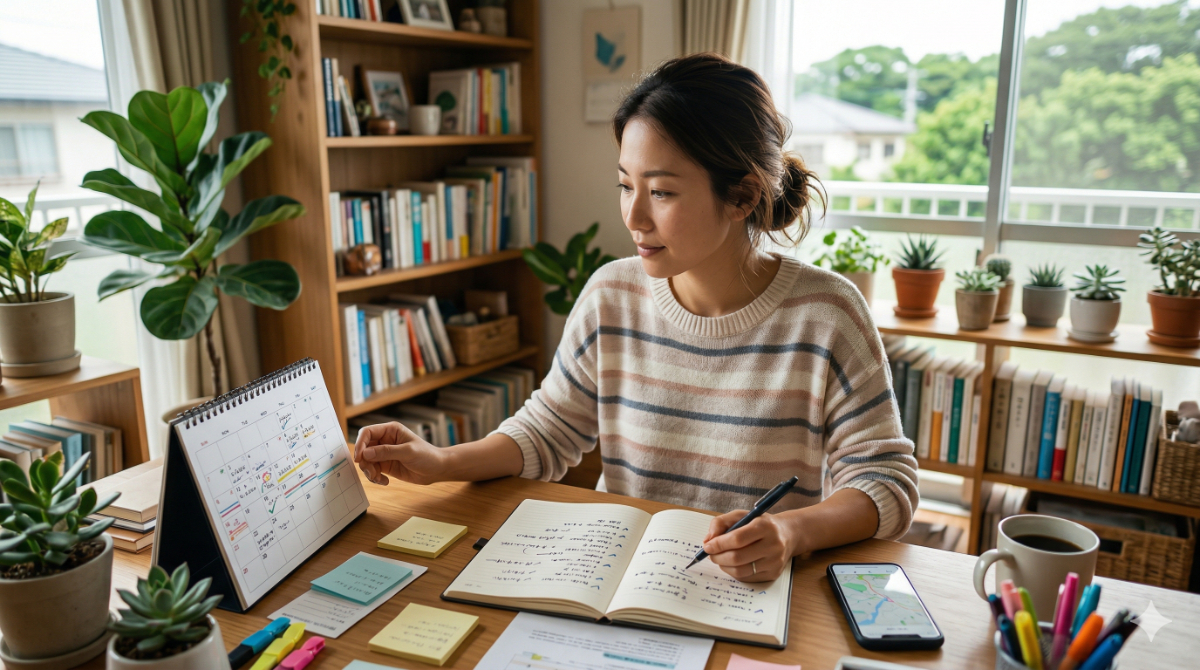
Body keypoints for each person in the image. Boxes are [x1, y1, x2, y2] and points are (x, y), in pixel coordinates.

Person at [354, 52, 918, 583]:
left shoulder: (828, 313)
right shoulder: (612, 293)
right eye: (625, 185)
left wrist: (792, 532)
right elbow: (549, 431)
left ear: (744, 196)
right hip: (622, 580)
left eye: (662, 192)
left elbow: (884, 481)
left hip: (754, 592)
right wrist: (439, 460)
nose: (633, 215)